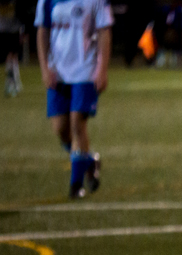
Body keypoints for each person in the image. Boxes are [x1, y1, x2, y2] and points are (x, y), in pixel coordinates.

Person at [35, 0, 113, 199]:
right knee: (61, 130)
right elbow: (42, 31)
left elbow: (105, 30)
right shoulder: (46, 1)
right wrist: (45, 68)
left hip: (85, 71)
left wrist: (102, 69)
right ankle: (88, 162)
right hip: (58, 72)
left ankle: (76, 185)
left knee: (78, 124)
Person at [0, 0, 24, 97]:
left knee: (12, 57)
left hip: (8, 30)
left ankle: (12, 83)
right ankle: (12, 84)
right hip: (7, 30)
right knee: (11, 57)